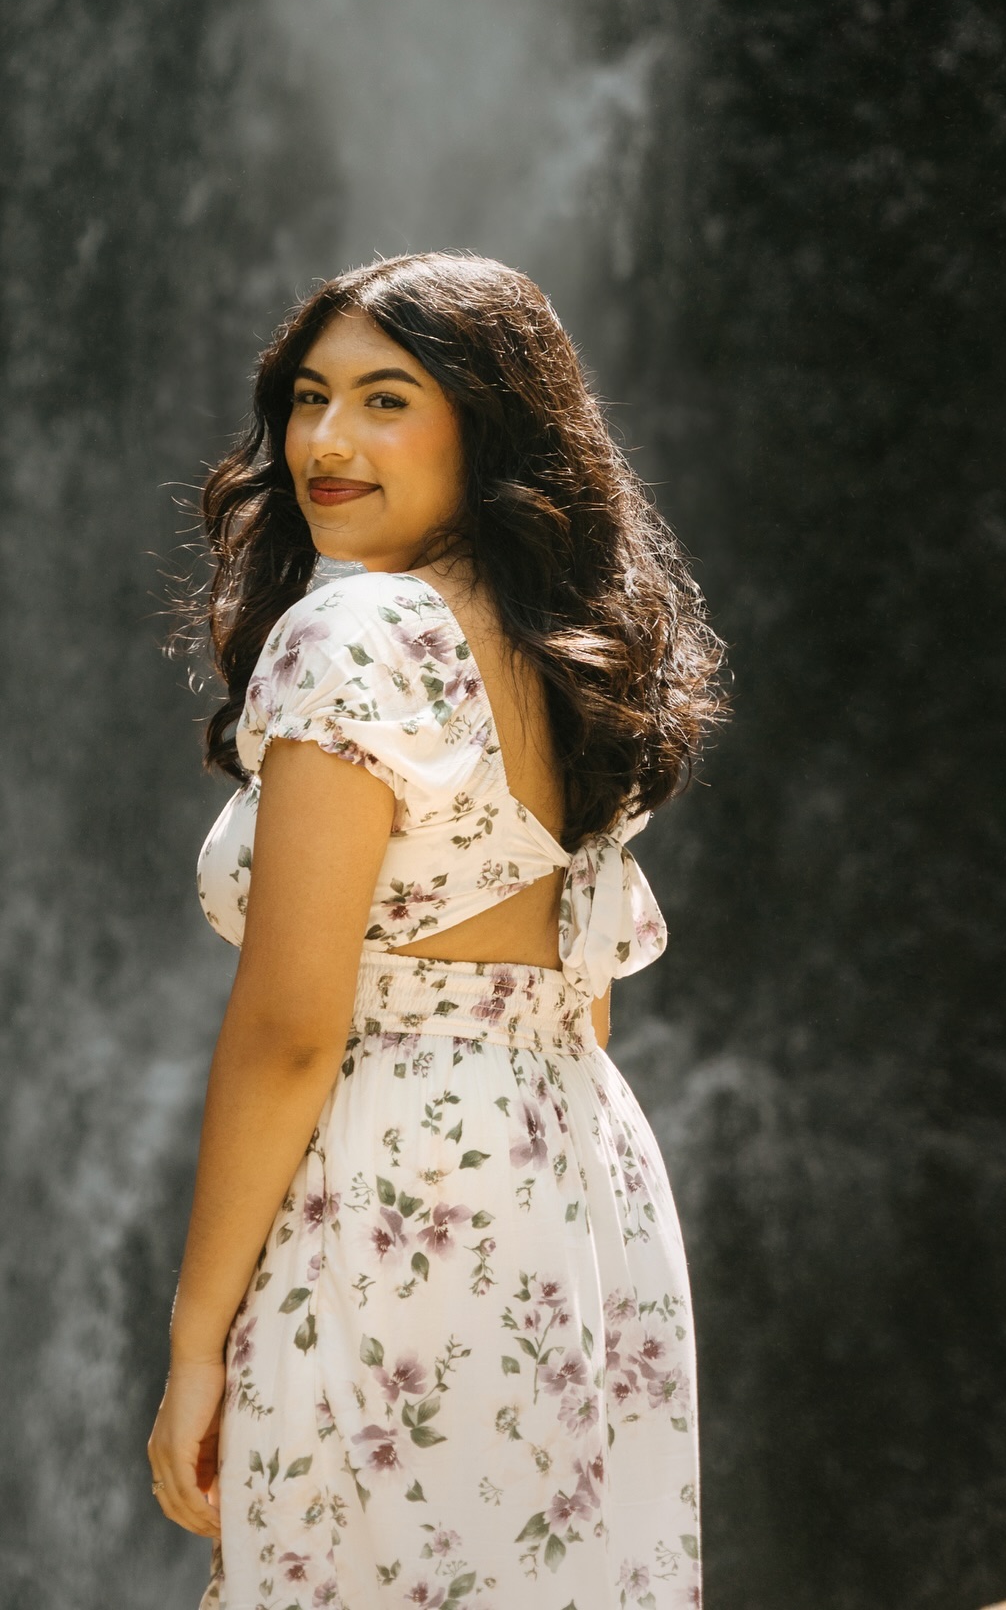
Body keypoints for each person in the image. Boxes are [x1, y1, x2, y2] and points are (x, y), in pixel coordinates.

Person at [150, 253, 726, 1609]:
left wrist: (194, 1341)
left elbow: (294, 1028)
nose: (326, 443)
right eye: (306, 399)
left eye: (386, 400)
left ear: (489, 419)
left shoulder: (355, 629)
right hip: (577, 1187)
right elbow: (582, 991)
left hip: (397, 1186)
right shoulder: (578, 644)